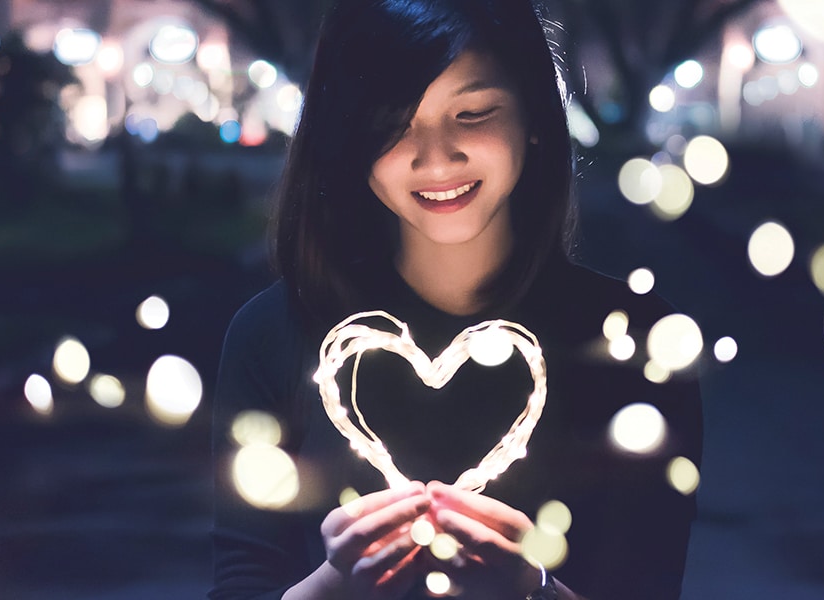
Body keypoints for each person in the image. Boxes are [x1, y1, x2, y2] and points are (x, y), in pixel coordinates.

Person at [210, 0, 703, 598]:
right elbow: (244, 576)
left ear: (534, 116)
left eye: (472, 113)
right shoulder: (273, 334)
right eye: (392, 123)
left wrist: (530, 586)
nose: (435, 156)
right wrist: (335, 586)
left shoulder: (634, 340)